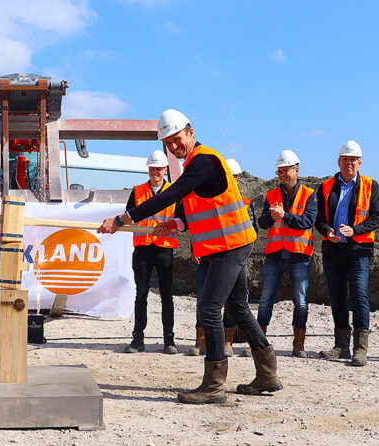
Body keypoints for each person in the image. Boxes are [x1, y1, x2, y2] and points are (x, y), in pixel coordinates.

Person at [99, 109, 282, 404]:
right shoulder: (196, 166)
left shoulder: (204, 161)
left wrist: (122, 218)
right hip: (230, 244)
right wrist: (177, 223)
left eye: (177, 139)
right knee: (237, 307)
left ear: (190, 132)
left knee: (210, 309)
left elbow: (168, 196)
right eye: (168, 143)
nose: (173, 147)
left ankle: (213, 386)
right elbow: (200, 208)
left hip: (230, 245)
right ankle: (267, 373)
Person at [316, 141, 379, 366]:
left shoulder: (370, 185)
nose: (349, 164)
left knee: (359, 295)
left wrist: (355, 230)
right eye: (345, 160)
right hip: (333, 249)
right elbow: (319, 219)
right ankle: (341, 345)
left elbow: (377, 217)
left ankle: (360, 348)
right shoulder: (325, 187)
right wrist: (327, 232)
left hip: (359, 250)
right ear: (339, 162)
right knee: (336, 296)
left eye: (353, 160)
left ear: (360, 163)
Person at [190, 158, 256, 358]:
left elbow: (250, 232)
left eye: (234, 177)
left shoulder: (244, 204)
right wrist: (194, 247)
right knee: (203, 301)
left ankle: (227, 342)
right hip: (207, 258)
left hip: (230, 260)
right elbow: (197, 225)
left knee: (232, 304)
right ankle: (201, 342)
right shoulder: (208, 200)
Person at [124, 150, 185, 354]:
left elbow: (181, 220)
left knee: (166, 295)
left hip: (164, 249)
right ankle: (137, 340)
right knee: (141, 294)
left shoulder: (174, 192)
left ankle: (169, 341)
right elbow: (129, 215)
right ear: (148, 169)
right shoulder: (138, 191)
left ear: (165, 169)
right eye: (152, 168)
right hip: (142, 249)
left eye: (159, 168)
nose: (155, 172)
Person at [256, 150, 316, 358]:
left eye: (285, 171)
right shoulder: (272, 195)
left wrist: (286, 216)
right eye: (279, 172)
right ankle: (258, 342)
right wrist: (271, 217)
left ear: (296, 170)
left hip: (299, 255)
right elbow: (262, 223)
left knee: (300, 301)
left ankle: (298, 345)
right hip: (275, 254)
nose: (282, 175)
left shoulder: (310, 194)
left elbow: (308, 222)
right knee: (265, 300)